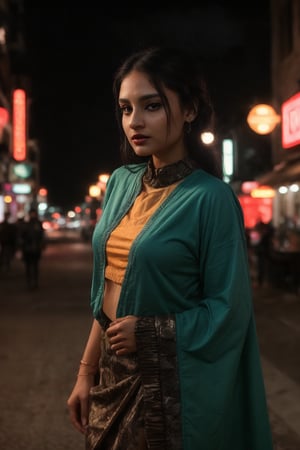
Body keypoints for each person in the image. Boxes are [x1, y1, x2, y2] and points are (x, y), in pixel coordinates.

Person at [67, 46, 274, 450]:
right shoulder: (122, 183)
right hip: (112, 372)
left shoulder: (210, 199)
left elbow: (229, 309)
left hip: (164, 384)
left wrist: (151, 331)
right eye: (125, 108)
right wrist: (85, 372)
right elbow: (108, 288)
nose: (135, 122)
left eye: (152, 106)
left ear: (191, 110)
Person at [20, 207, 45, 289]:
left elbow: (41, 236)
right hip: (27, 248)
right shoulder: (27, 224)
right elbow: (22, 235)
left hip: (35, 248)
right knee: (28, 266)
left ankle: (35, 282)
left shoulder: (38, 224)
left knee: (35, 266)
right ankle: (29, 282)